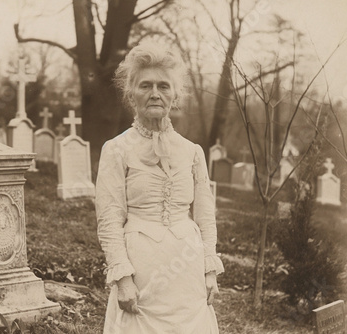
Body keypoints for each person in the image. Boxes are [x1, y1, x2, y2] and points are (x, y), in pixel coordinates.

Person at [95, 41, 224, 334]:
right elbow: (109, 219)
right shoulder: (116, 150)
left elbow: (205, 218)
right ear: (131, 93)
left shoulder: (193, 152)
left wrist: (209, 269)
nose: (155, 93)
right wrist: (123, 279)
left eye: (164, 86)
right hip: (141, 273)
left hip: (187, 271)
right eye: (145, 85)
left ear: (175, 94)